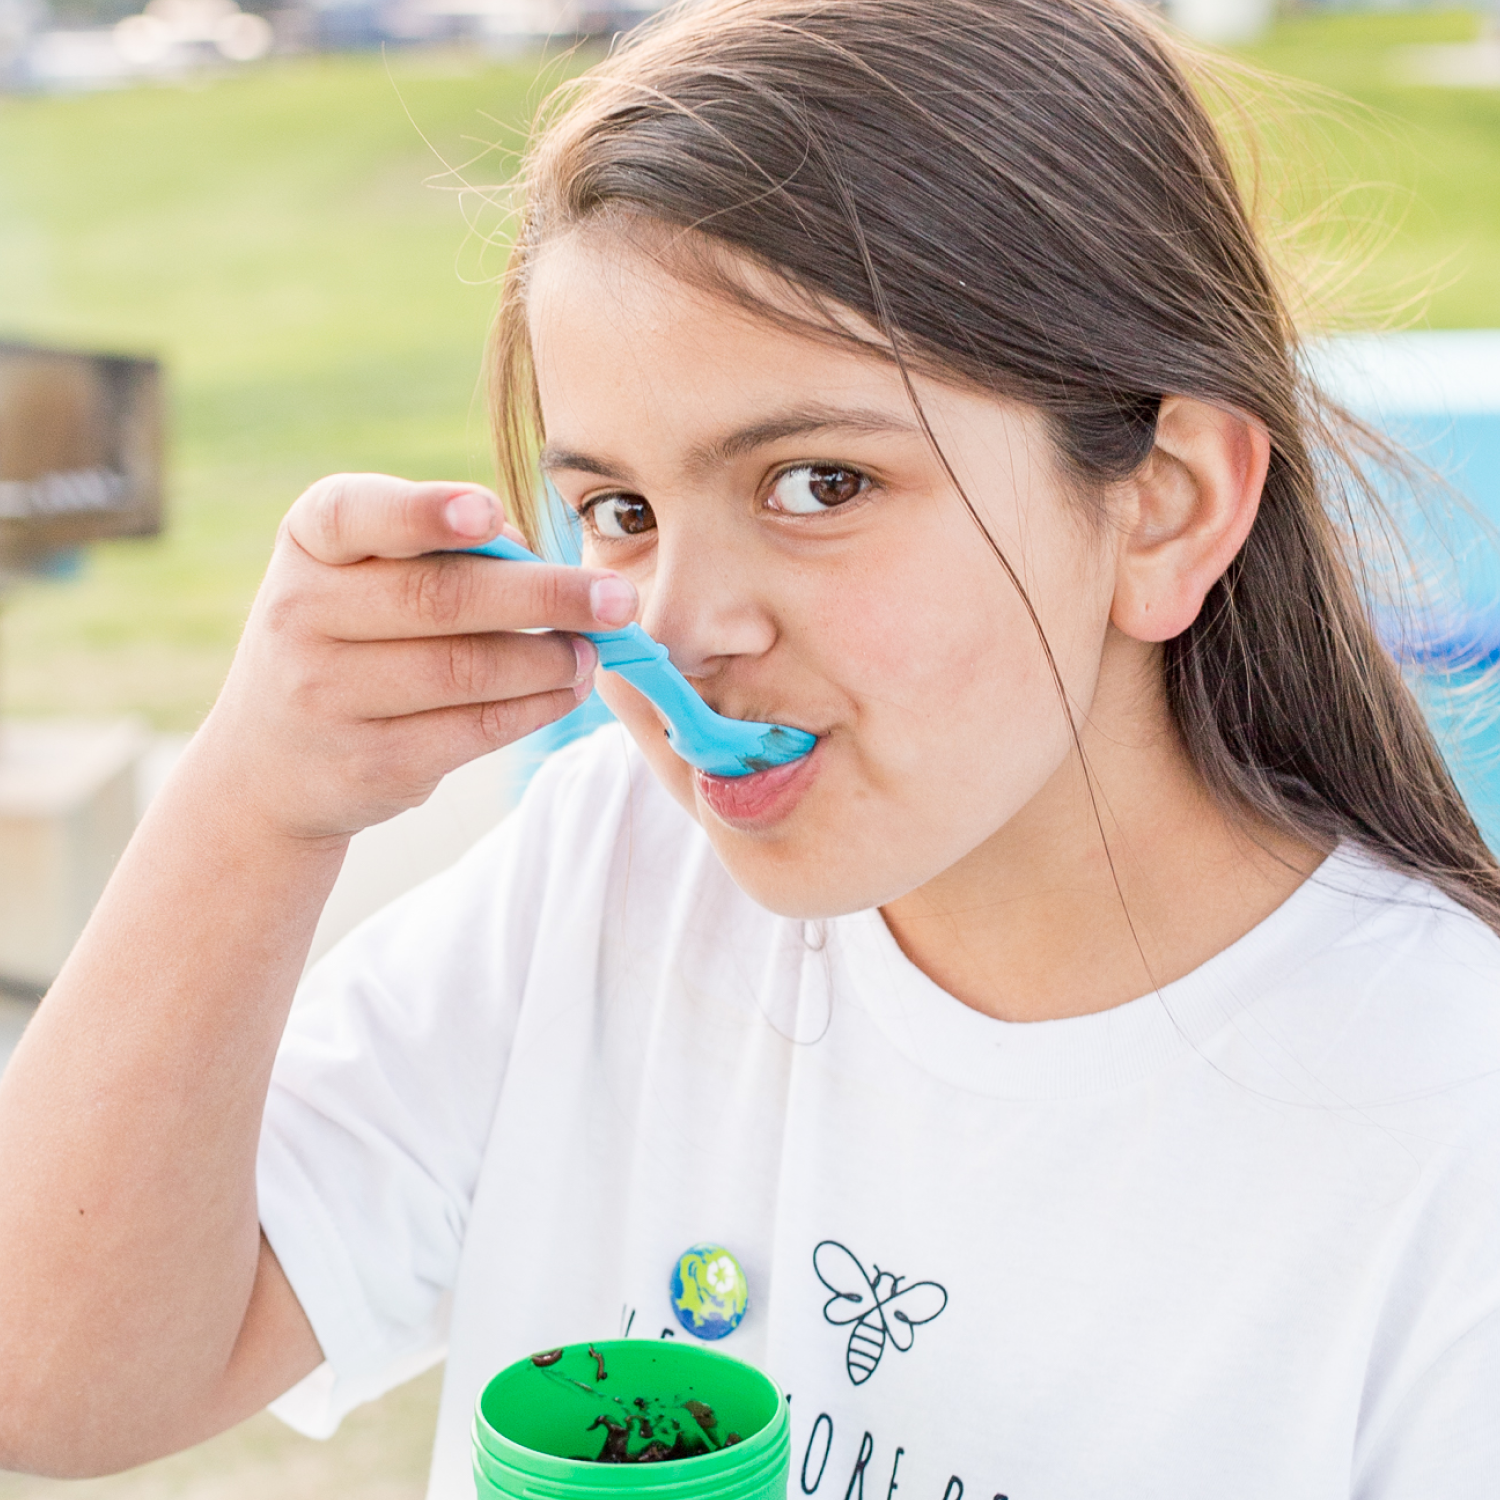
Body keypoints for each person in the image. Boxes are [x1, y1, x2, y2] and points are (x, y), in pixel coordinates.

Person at [2, 0, 1499, 1494]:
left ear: (1163, 505)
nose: (684, 624)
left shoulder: (1444, 1133)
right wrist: (255, 803)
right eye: (622, 512)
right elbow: (51, 1383)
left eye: (819, 482)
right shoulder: (605, 871)